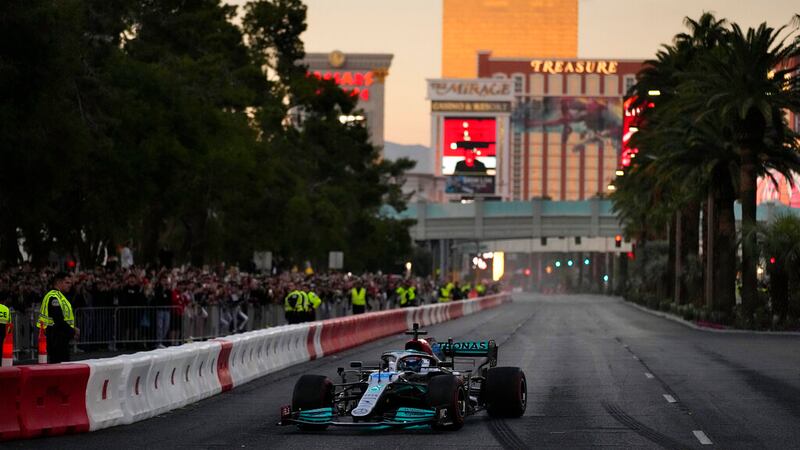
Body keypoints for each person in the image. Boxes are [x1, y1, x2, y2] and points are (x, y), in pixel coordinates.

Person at [37, 272, 78, 363]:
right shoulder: (53, 297)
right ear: (58, 283)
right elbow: (58, 320)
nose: (69, 285)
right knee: (59, 367)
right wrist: (73, 331)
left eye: (70, 283)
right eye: (67, 283)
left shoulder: (60, 296)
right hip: (56, 339)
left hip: (60, 338)